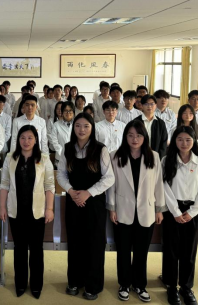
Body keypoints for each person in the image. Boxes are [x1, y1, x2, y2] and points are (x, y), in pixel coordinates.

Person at [57, 113, 115, 301]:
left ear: (92, 128)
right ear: (73, 128)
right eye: (78, 126)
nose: (81, 130)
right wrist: (71, 191)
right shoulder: (67, 148)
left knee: (95, 243)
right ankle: (74, 281)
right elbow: (61, 174)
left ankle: (93, 285)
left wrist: (88, 193)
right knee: (75, 242)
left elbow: (109, 178)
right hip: (73, 201)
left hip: (94, 203)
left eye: (86, 126)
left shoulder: (100, 149)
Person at [108, 120, 166, 303]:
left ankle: (140, 285)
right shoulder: (115, 156)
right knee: (123, 251)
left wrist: (159, 209)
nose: (135, 139)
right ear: (125, 136)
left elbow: (158, 184)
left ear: (144, 137)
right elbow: (111, 185)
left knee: (141, 252)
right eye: (131, 135)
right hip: (122, 210)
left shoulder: (153, 156)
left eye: (139, 135)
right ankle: (124, 284)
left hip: (146, 210)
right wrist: (112, 208)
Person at [0, 126, 55, 299]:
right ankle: (21, 284)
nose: (26, 141)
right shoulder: (10, 157)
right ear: (18, 140)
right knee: (20, 249)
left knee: (36, 250)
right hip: (16, 211)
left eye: (30, 137)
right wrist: (2, 207)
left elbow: (49, 185)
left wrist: (49, 209)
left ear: (36, 140)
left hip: (37, 212)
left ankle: (36, 285)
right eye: (22, 137)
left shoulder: (44, 159)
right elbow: (4, 183)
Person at [162, 127, 198, 306]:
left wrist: (192, 212)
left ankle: (186, 288)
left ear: (194, 141)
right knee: (171, 250)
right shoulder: (167, 161)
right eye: (180, 139)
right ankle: (171, 286)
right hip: (172, 210)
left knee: (189, 251)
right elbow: (164, 187)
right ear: (174, 141)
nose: (184, 143)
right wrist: (175, 211)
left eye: (188, 139)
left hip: (192, 211)